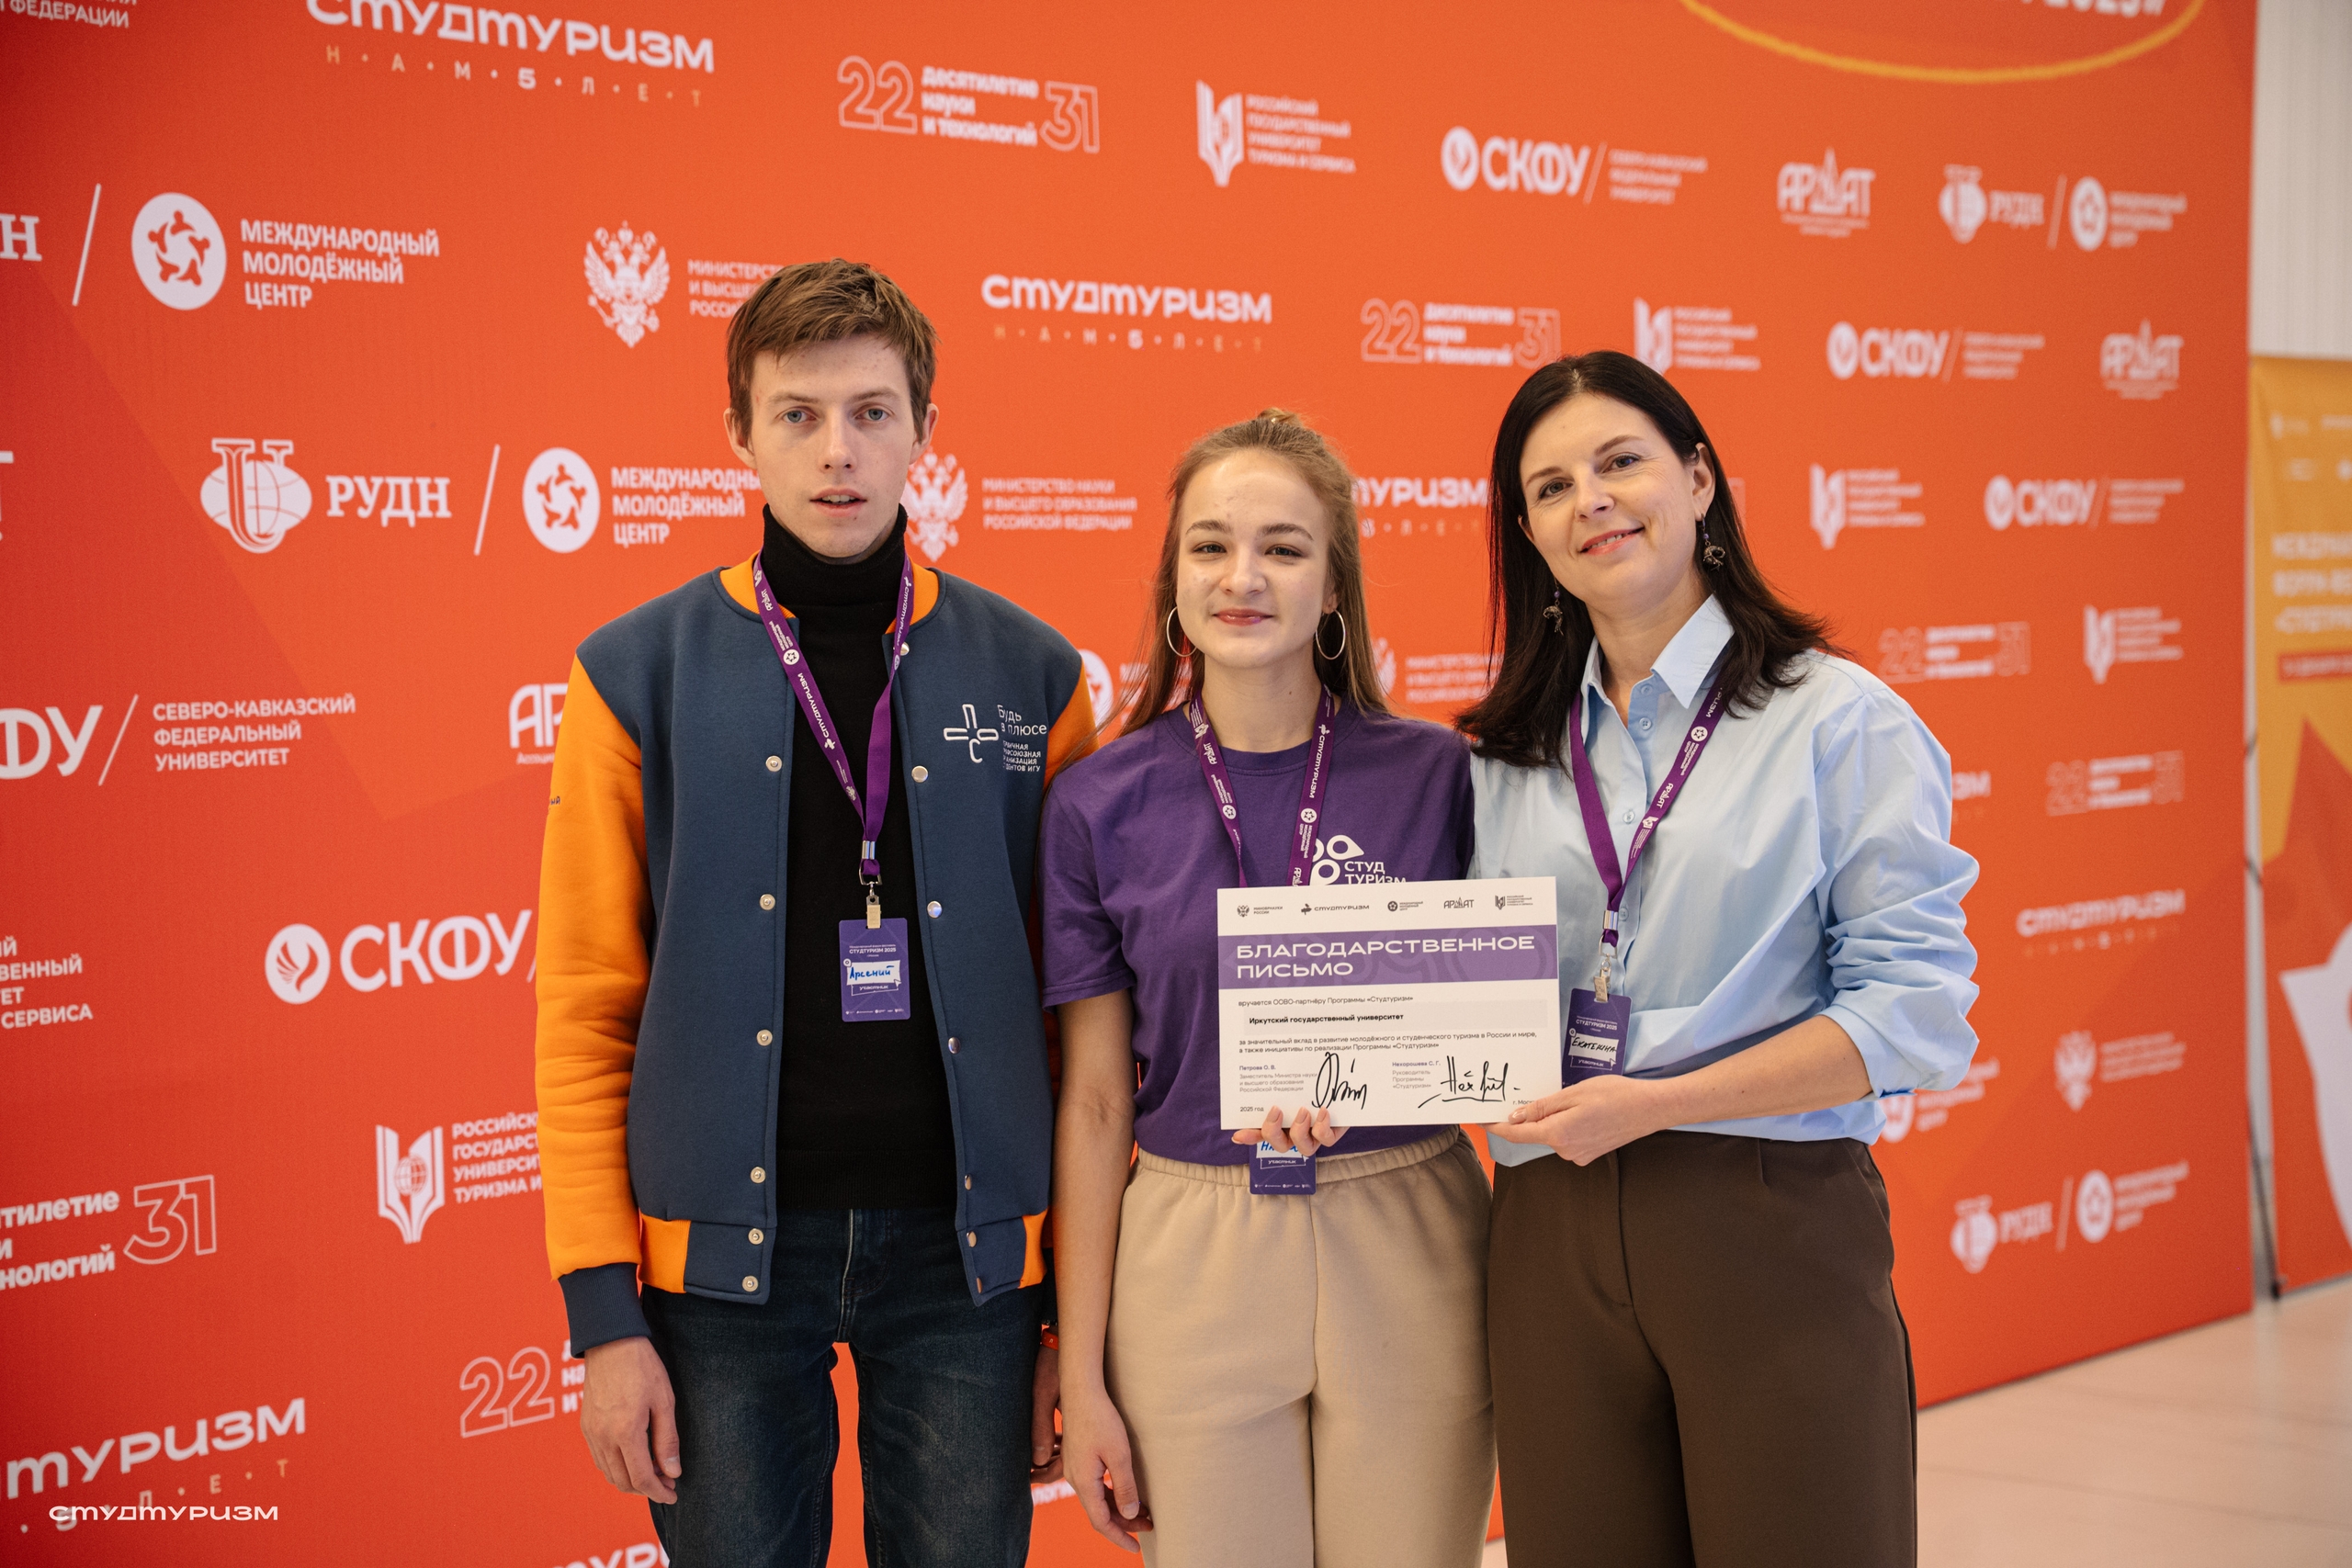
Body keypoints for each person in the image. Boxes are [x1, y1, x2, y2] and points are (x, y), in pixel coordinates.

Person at [533, 258, 1096, 1567]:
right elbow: (585, 1007)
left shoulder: (1036, 676)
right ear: (739, 433)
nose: (837, 449)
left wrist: (1070, 1315)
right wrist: (604, 1317)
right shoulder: (633, 673)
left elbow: (1083, 1030)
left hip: (969, 1270)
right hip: (721, 1276)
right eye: (797, 414)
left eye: (871, 412)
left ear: (925, 429)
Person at [1458, 351, 1980, 1568]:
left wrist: (1659, 1101)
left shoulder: (1839, 722)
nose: (1590, 499)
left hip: (1761, 1211)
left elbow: (1912, 1014)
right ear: (1528, 535)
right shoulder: (1500, 757)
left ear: (1698, 479)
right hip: (1546, 1228)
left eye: (1620, 461)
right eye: (1550, 486)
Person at [1041, 410, 1496, 1567]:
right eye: (1210, 546)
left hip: (1406, 1226)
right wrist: (1079, 1372)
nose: (1241, 577)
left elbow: (1497, 1018)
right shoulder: (1096, 803)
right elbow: (1093, 1102)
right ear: (1172, 578)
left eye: (1284, 549)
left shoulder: (1440, 775)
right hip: (1191, 1244)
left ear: (1334, 587)